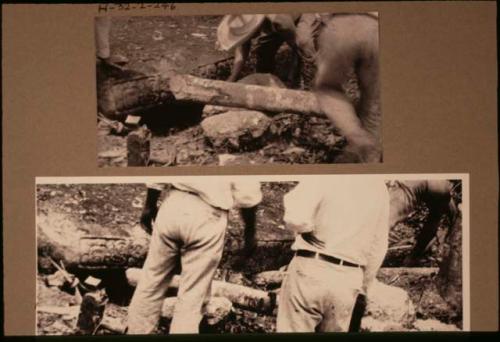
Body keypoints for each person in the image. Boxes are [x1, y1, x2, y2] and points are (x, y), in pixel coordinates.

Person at [127, 180, 262, 334]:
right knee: (192, 296)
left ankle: (135, 332)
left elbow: (161, 168)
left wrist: (149, 205)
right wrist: (250, 232)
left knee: (150, 282)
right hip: (207, 213)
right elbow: (247, 193)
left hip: (174, 203)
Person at [276, 177, 390, 332]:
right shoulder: (379, 187)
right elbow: (378, 245)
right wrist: (364, 286)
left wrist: (306, 230)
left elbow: (295, 216)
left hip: (311, 267)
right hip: (348, 277)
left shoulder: (328, 173)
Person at [296, 13, 381, 163]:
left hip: (342, 24)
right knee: (373, 100)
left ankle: (360, 141)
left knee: (327, 88)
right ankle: (371, 154)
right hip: (376, 25)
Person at [387, 180, 458, 266]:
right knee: (435, 219)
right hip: (441, 185)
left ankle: (411, 258)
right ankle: (413, 257)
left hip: (418, 184)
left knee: (387, 220)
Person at [217, 14, 301, 85]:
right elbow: (242, 47)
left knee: (306, 44)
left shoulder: (281, 22)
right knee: (263, 54)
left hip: (302, 13)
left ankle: (308, 84)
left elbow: (297, 47)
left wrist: (292, 76)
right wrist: (232, 78)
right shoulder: (247, 18)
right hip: (270, 24)